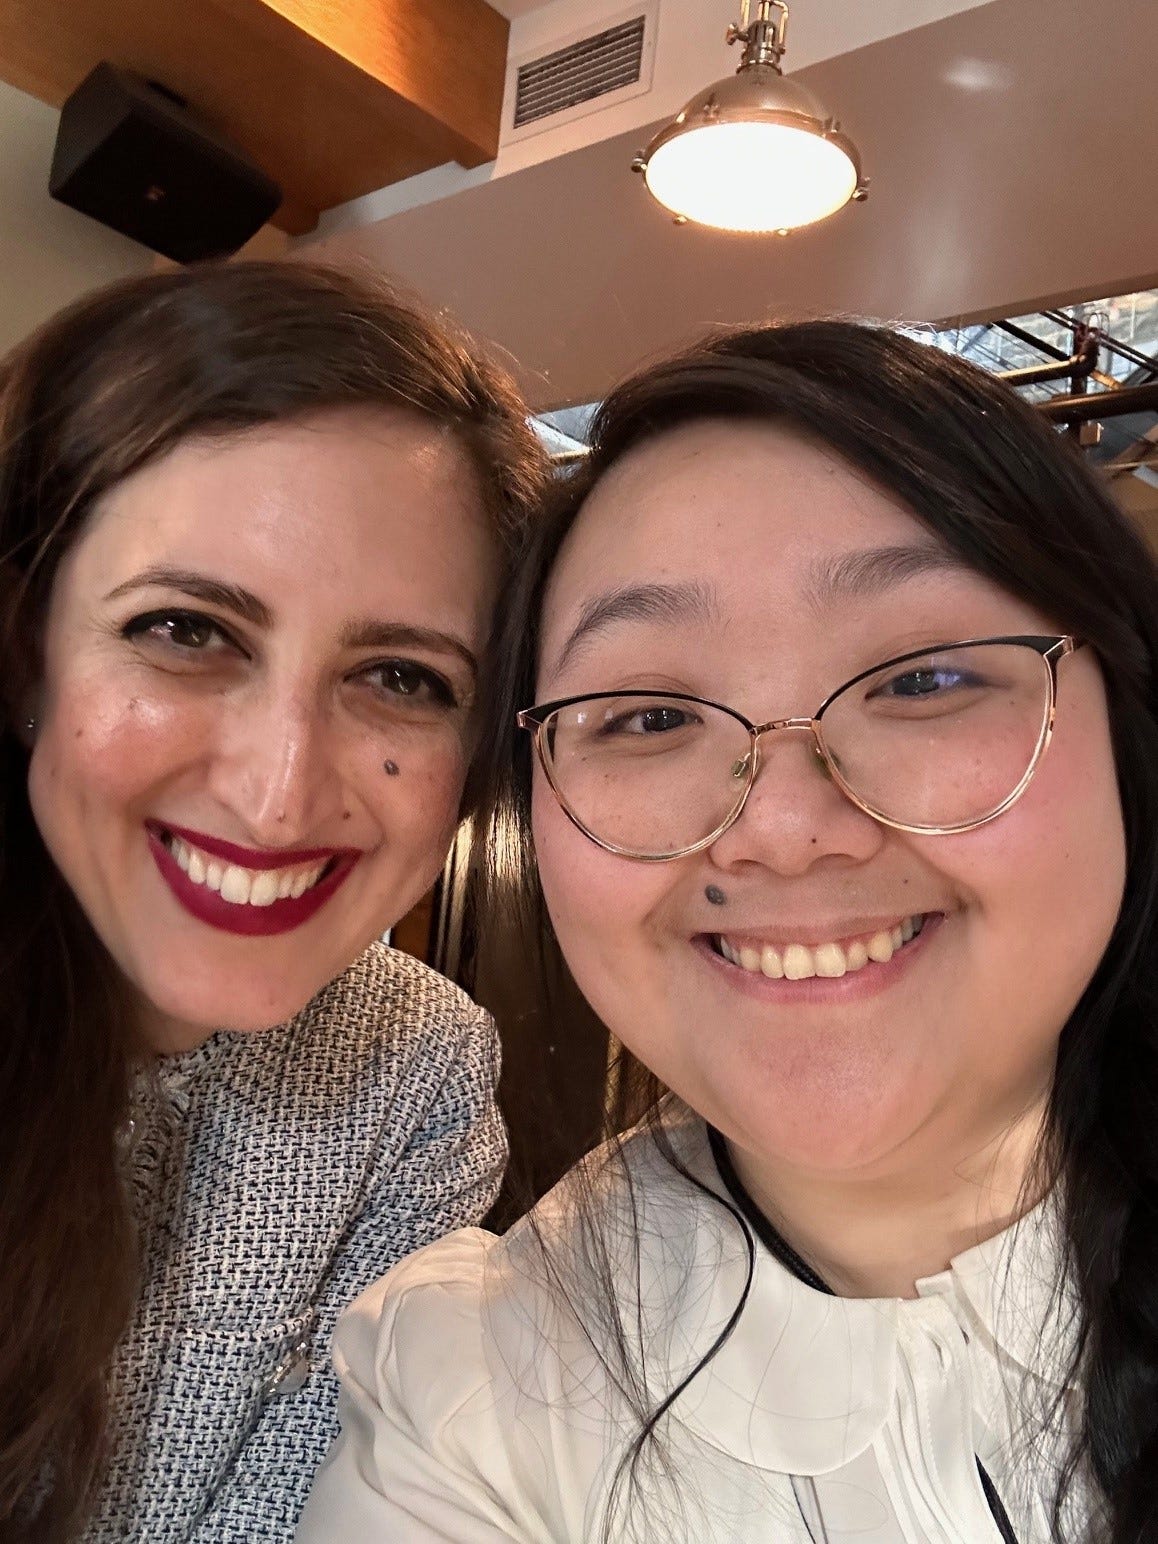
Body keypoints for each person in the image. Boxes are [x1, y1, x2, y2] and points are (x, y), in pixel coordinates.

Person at [297, 320, 1158, 1543]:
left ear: (1126, 731)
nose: (785, 827)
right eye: (648, 712)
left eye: (921, 677)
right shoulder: (476, 1390)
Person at [0, 260, 546, 1542]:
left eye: (402, 676)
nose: (279, 793)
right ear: (24, 645)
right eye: (187, 630)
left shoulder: (419, 1073)